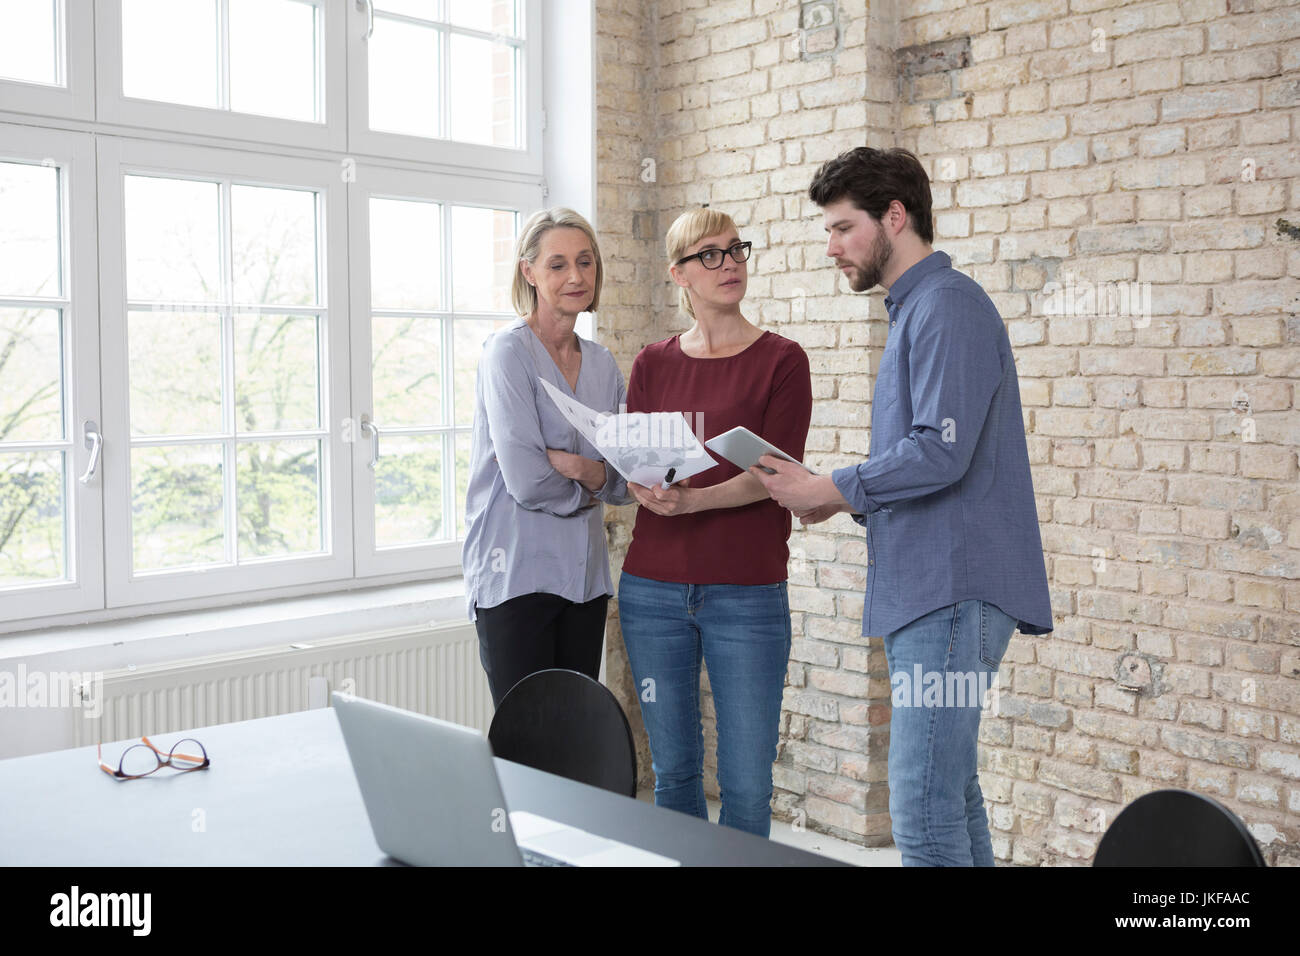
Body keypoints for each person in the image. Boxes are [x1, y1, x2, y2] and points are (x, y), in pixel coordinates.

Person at [750, 146, 1054, 866]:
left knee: (920, 808)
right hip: (933, 588)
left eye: (843, 228)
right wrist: (834, 495)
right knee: (949, 793)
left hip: (952, 591)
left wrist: (828, 488)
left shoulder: (948, 307)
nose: (832, 248)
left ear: (895, 217)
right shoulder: (918, 310)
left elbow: (939, 452)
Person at [617, 208, 812, 838]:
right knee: (673, 774)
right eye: (710, 254)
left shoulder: (783, 361)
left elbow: (776, 476)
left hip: (747, 592)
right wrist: (638, 482)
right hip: (652, 589)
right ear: (680, 274)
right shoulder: (652, 364)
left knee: (747, 783)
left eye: (735, 250)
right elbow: (638, 457)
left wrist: (695, 501)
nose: (729, 263)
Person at [462, 208, 630, 708]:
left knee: (573, 739)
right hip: (516, 574)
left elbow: (626, 480)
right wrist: (596, 484)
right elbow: (527, 480)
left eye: (585, 261)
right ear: (528, 272)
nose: (576, 276)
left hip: (584, 579)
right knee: (527, 745)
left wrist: (584, 468)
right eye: (557, 265)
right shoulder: (506, 354)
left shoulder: (601, 363)